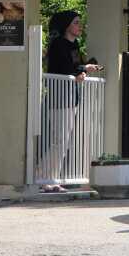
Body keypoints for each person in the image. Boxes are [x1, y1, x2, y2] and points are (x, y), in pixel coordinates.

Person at [41, 11, 101, 192]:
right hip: (59, 96)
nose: (79, 26)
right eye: (76, 22)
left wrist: (82, 70)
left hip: (70, 96)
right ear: (67, 25)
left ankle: (51, 178)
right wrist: (83, 69)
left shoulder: (74, 44)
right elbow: (64, 67)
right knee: (60, 140)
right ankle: (45, 177)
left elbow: (74, 67)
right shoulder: (58, 44)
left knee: (64, 141)